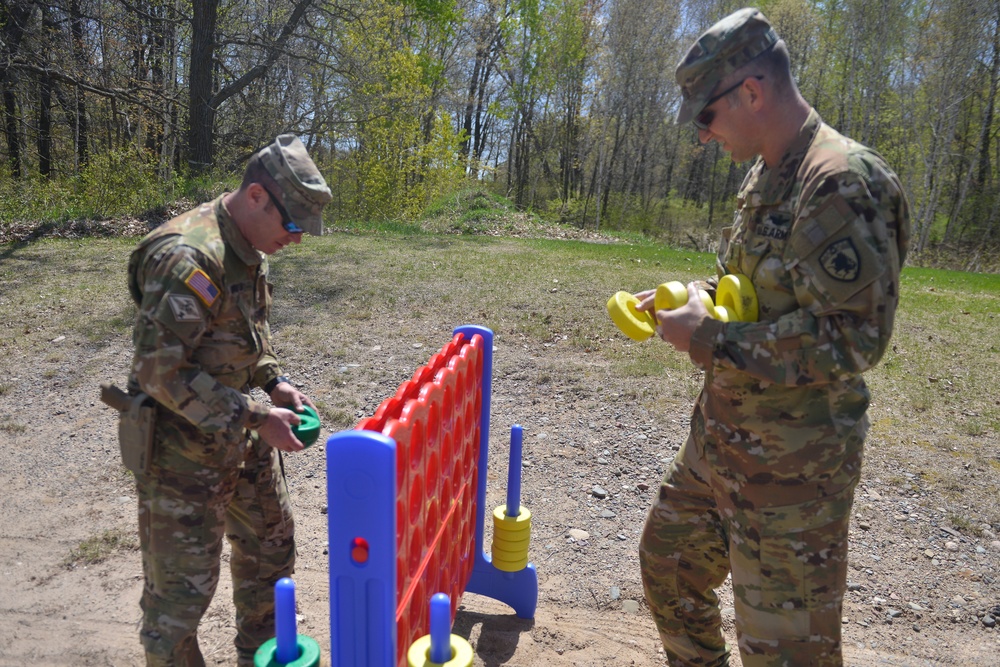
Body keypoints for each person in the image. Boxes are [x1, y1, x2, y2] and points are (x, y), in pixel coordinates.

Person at [634, 8, 910, 667]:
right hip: (722, 443)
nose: (703, 136)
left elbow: (855, 340)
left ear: (751, 92)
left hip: (791, 477)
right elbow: (749, 288)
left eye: (707, 116)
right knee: (669, 567)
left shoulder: (842, 182)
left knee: (786, 653)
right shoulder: (765, 174)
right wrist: (697, 296)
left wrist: (714, 340)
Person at [124, 134, 332, 666]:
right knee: (178, 605)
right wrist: (259, 417)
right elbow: (158, 371)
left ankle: (261, 657)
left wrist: (272, 381)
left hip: (241, 436)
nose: (298, 239)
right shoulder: (187, 256)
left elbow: (241, 335)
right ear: (258, 196)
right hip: (181, 458)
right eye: (293, 225)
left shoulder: (249, 246)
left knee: (270, 551)